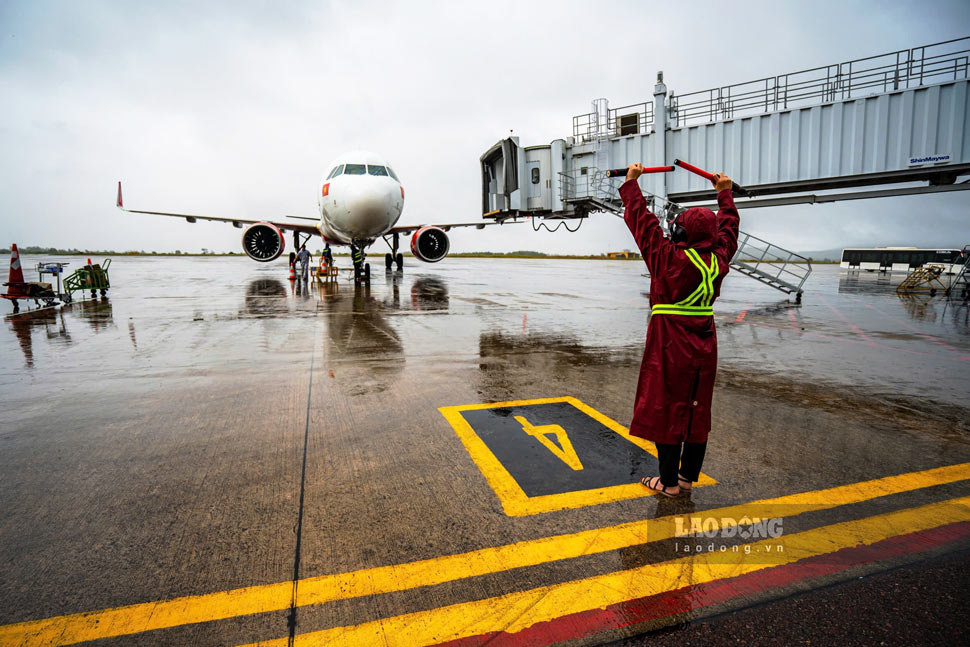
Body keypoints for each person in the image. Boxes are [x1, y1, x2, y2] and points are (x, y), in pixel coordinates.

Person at [620, 163, 740, 497]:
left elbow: (641, 222)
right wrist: (724, 194)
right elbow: (729, 230)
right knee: (697, 407)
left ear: (680, 233)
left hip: (669, 342)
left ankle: (667, 483)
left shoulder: (665, 257)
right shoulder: (719, 258)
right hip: (705, 338)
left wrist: (632, 184)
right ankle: (687, 477)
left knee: (665, 406)